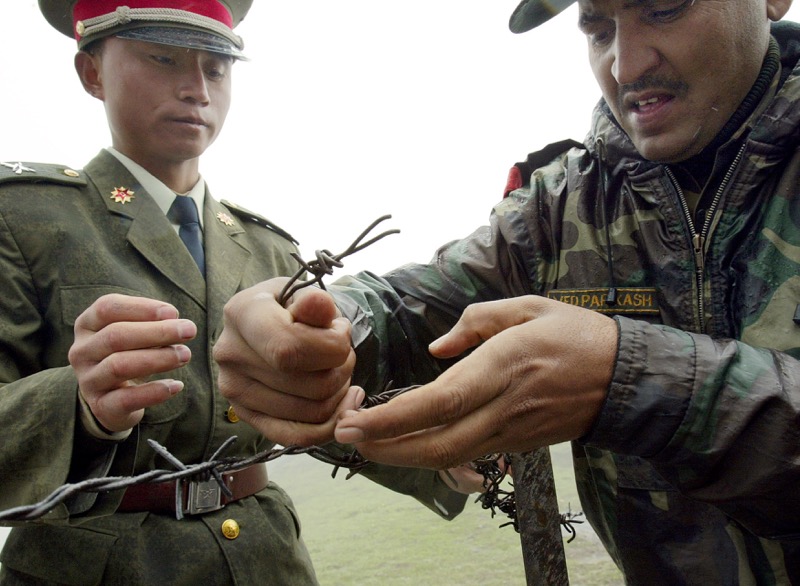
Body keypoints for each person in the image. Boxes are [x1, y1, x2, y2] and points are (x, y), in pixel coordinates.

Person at [214, 0, 800, 582]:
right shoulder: (562, 206)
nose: (625, 66)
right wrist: (320, 331)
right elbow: (416, 306)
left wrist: (631, 382)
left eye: (664, 9)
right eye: (597, 28)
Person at [0, 2, 473, 584]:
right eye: (163, 58)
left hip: (265, 558)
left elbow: (309, 409)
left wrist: (443, 458)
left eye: (216, 68)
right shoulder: (23, 219)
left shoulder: (267, 247)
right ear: (92, 72)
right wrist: (81, 408)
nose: (196, 89)